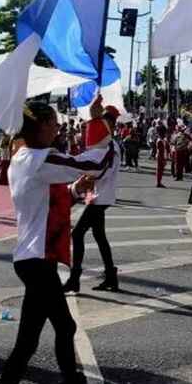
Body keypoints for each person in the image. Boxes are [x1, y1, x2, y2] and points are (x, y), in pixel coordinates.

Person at [0, 101, 115, 384]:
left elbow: (47, 199)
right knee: (53, 332)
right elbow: (93, 163)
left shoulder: (28, 160)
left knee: (31, 341)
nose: (57, 129)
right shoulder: (34, 159)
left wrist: (73, 190)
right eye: (53, 123)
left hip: (35, 259)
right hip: (36, 261)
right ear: (37, 126)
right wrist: (98, 123)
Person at [64, 100, 121, 293]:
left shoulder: (109, 148)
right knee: (99, 236)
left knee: (77, 233)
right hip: (97, 196)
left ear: (110, 125)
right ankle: (111, 277)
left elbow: (96, 168)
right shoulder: (109, 145)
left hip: (100, 198)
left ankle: (75, 278)